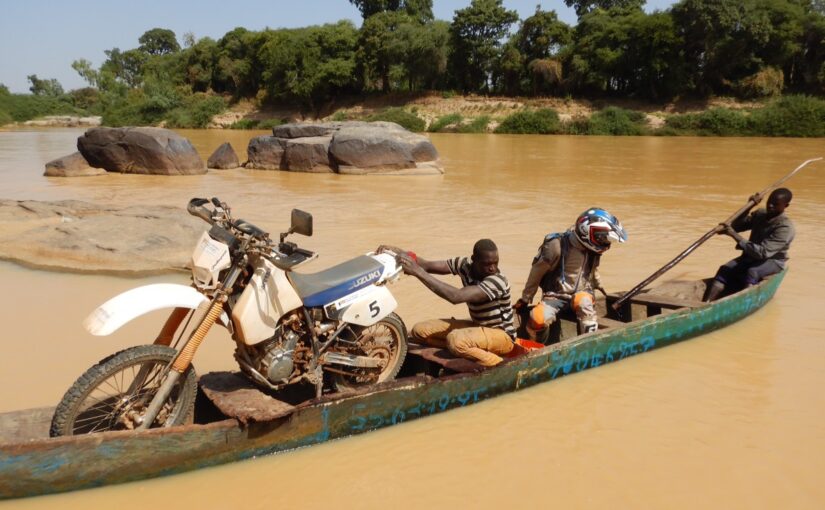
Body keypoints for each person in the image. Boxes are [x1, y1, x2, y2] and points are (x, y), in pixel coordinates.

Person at [377, 239, 516, 367]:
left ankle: (500, 364)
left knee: (456, 340)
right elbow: (426, 265)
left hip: (502, 336)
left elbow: (456, 296)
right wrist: (396, 252)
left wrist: (417, 272)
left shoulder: (497, 281)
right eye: (486, 264)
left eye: (495, 263)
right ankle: (463, 351)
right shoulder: (465, 265)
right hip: (477, 327)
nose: (492, 268)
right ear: (474, 260)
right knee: (419, 331)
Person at [516, 208, 627, 338]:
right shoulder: (556, 245)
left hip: (582, 292)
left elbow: (593, 270)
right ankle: (537, 347)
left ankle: (588, 345)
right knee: (537, 318)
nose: (606, 243)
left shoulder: (594, 251)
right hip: (555, 295)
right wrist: (526, 298)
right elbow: (537, 271)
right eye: (603, 239)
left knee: (587, 311)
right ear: (587, 232)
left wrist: (599, 286)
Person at [703, 188, 794, 302]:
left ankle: (745, 302)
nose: (770, 206)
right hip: (750, 256)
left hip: (772, 260)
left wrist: (733, 235)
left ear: (786, 206)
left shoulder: (785, 228)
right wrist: (749, 206)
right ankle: (706, 303)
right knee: (725, 269)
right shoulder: (760, 215)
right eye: (769, 202)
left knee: (752, 272)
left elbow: (762, 253)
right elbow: (737, 225)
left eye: (775, 204)